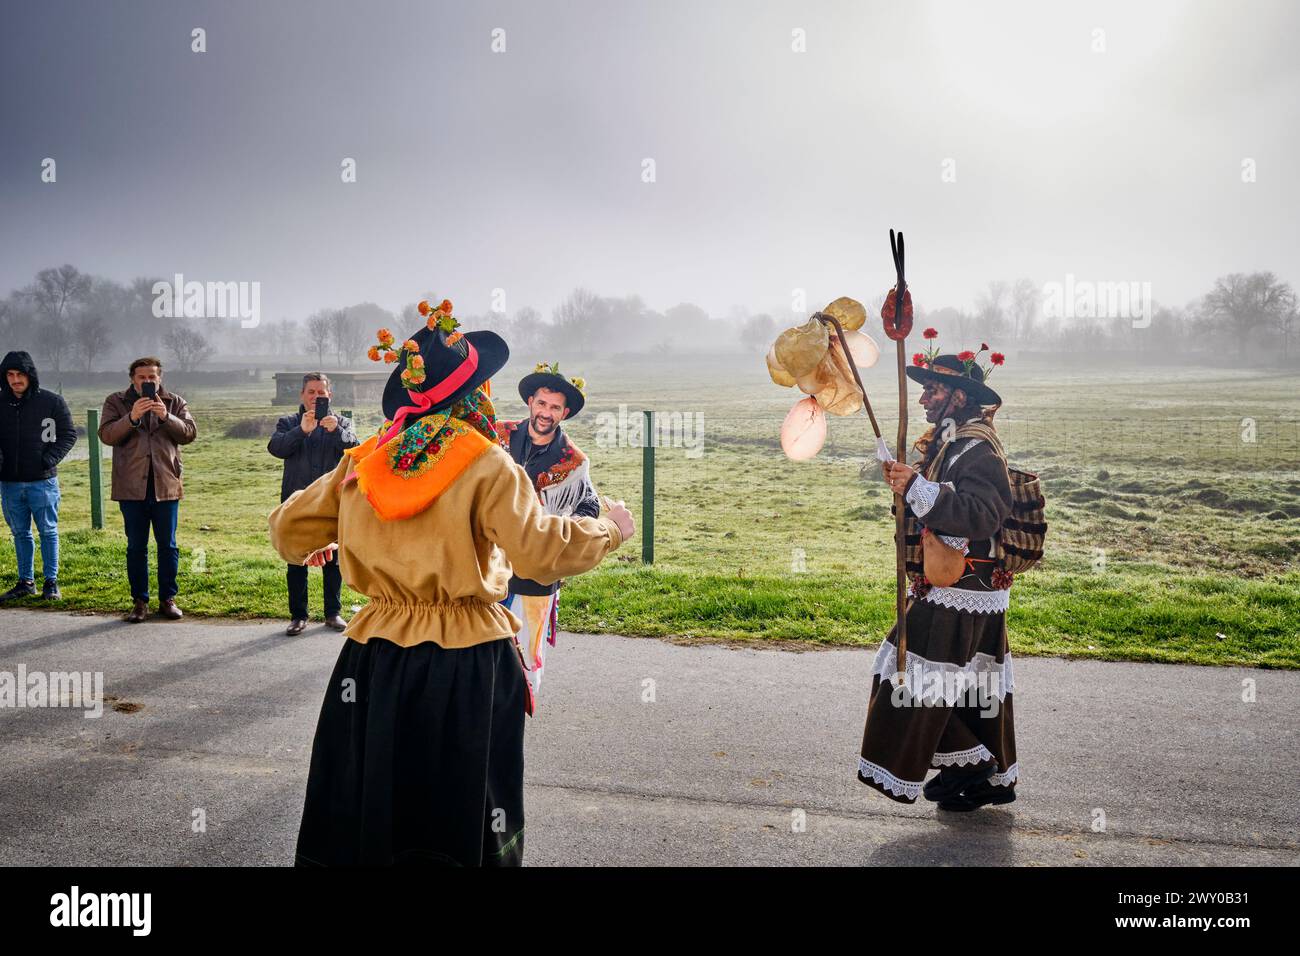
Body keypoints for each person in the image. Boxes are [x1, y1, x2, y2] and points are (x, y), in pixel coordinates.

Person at [268, 302, 635, 866]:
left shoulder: (365, 460)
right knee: (460, 808)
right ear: (472, 396)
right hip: (467, 663)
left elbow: (288, 530)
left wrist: (344, 529)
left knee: (376, 796)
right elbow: (538, 551)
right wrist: (608, 528)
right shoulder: (486, 462)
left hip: (376, 657)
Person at [858, 345, 1019, 812]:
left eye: (934, 389)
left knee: (907, 678)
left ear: (959, 397)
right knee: (965, 688)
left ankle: (970, 767)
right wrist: (906, 483)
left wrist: (915, 487)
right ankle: (978, 774)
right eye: (924, 389)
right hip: (956, 588)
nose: (925, 397)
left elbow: (981, 515)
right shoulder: (950, 442)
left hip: (961, 589)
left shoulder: (976, 447)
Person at [493, 361, 601, 708]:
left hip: (537, 571)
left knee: (527, 645)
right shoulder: (498, 435)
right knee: (485, 637)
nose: (546, 412)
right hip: (489, 561)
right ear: (530, 401)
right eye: (542, 403)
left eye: (555, 407)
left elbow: (588, 505)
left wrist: (560, 535)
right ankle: (484, 700)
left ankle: (518, 706)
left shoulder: (574, 461)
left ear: (565, 413)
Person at [98, 357, 198, 623]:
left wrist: (166, 417)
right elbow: (106, 435)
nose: (147, 381)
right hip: (131, 487)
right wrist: (132, 417)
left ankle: (168, 599)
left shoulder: (175, 402)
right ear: (132, 378)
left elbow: (189, 433)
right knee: (136, 547)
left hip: (166, 485)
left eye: (152, 377)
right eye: (142, 377)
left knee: (168, 546)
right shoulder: (116, 401)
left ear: (160, 378)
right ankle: (139, 602)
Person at [268, 373, 358, 635]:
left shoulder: (342, 421)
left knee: (333, 559)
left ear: (329, 395)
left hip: (330, 501)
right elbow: (276, 448)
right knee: (297, 560)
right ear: (302, 395)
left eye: (321, 392)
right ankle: (298, 616)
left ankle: (333, 613)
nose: (316, 397)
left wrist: (338, 433)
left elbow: (356, 448)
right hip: (296, 500)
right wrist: (301, 431)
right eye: (311, 392)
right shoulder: (288, 422)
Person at [0, 351, 77, 602]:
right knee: (20, 533)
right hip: (9, 482)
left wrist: (48, 460)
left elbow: (68, 434)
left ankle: (51, 582)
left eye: (20, 374)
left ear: (30, 375)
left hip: (43, 482)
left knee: (48, 531)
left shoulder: (51, 402)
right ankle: (25, 582)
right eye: (10, 375)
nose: (15, 380)